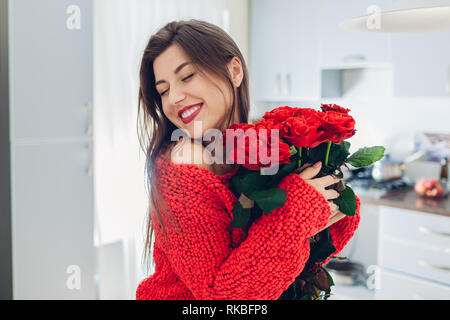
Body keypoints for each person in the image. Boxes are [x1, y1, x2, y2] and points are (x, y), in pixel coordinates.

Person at [135, 19, 360, 300]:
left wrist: (328, 197)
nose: (174, 98)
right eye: (163, 90)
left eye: (187, 76)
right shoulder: (185, 160)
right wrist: (296, 212)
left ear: (235, 71)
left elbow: (289, 261)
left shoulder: (251, 147)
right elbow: (222, 297)